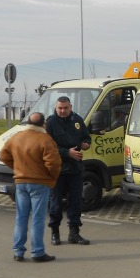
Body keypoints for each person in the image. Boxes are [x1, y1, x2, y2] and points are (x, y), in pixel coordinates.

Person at [0, 112, 61, 262]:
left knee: (21, 217)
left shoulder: (17, 136)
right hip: (39, 183)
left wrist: (16, 168)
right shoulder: (45, 139)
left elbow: (4, 155)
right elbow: (53, 163)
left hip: (20, 182)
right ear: (43, 124)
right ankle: (38, 252)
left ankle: (18, 252)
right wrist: (52, 177)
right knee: (37, 219)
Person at [46, 96, 92, 246]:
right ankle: (55, 232)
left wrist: (86, 144)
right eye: (60, 108)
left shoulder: (77, 120)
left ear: (70, 107)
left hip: (75, 169)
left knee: (76, 202)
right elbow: (48, 147)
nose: (63, 111)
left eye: (65, 108)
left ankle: (74, 233)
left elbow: (86, 137)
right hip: (58, 169)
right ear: (56, 107)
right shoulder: (51, 122)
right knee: (56, 203)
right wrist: (67, 153)